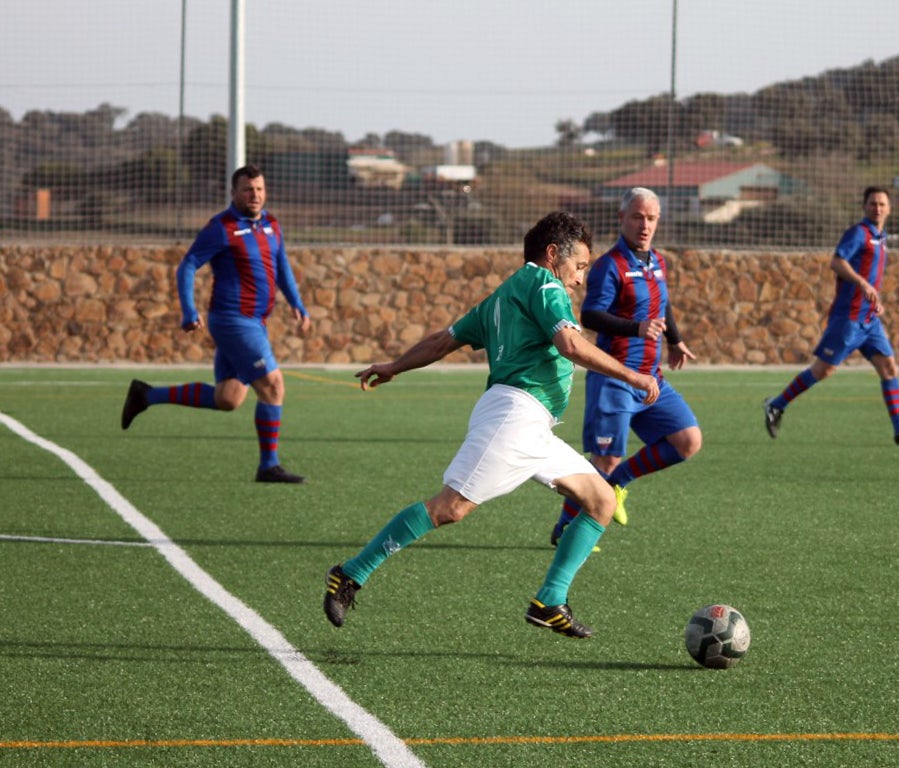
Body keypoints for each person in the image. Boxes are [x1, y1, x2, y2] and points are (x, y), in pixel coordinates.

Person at [323, 212, 659, 638]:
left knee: (600, 501)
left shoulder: (502, 296)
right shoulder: (543, 285)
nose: (578, 280)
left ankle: (549, 602)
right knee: (450, 508)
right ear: (553, 255)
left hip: (533, 425)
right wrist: (633, 375)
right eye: (578, 267)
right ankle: (349, 574)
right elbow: (570, 343)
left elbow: (444, 340)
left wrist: (395, 366)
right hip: (514, 416)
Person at [120, 165, 312, 483]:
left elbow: (281, 265)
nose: (256, 195)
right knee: (273, 386)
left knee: (228, 398)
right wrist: (188, 311)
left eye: (260, 189)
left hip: (255, 322)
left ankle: (146, 396)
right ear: (234, 193)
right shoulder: (221, 227)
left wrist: (297, 304)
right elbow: (188, 265)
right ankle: (269, 466)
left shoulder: (271, 224)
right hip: (233, 321)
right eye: (249, 189)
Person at [548, 187, 702, 547]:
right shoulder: (609, 266)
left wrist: (675, 339)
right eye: (637, 216)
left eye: (651, 218)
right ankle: (565, 526)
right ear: (622, 219)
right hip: (614, 377)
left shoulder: (657, 262)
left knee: (687, 440)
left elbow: (663, 305)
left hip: (651, 378)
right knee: (604, 458)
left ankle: (619, 484)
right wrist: (636, 327)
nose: (644, 224)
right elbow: (590, 315)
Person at [763, 185, 899, 446]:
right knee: (824, 370)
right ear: (864, 207)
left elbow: (871, 274)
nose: (877, 208)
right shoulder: (859, 233)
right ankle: (776, 405)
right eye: (873, 203)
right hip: (849, 318)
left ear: (889, 208)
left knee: (888, 368)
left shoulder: (881, 237)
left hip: (869, 320)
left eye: (882, 204)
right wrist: (862, 284)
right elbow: (837, 261)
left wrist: (875, 299)